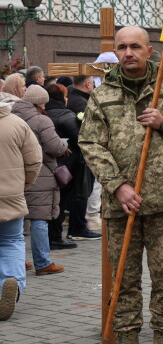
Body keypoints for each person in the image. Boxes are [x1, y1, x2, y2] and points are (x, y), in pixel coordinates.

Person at [79, 26, 163, 344]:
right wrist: (117, 185)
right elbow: (90, 143)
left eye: (135, 47)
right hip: (121, 204)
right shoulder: (103, 93)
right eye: (123, 47)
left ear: (150, 50)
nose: (129, 53)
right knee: (124, 279)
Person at [12, 85, 69, 275]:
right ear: (40, 102)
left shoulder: (12, 116)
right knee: (39, 219)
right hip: (40, 174)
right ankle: (43, 262)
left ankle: (18, 260)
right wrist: (64, 144)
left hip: (16, 173)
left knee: (16, 219)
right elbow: (54, 147)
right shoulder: (41, 120)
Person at [0, 92, 42, 321]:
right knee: (11, 242)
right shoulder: (17, 124)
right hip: (10, 195)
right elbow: (35, 160)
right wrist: (23, 184)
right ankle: (11, 284)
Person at [44, 84, 100, 244]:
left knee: (54, 202)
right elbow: (82, 139)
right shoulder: (65, 116)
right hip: (68, 168)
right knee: (63, 201)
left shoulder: (43, 114)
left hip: (50, 166)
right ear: (62, 98)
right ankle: (57, 237)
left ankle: (53, 236)